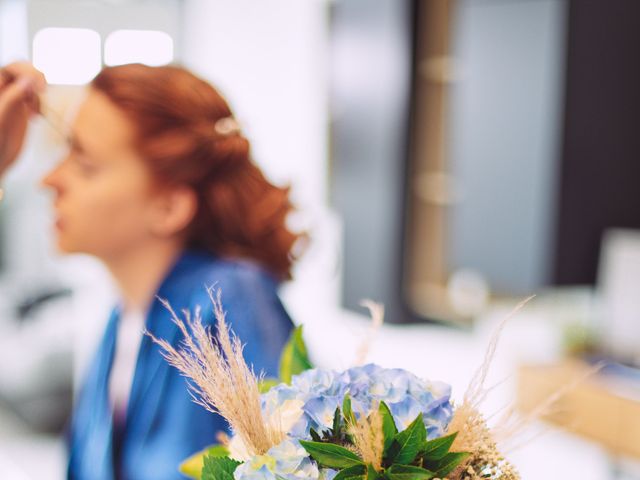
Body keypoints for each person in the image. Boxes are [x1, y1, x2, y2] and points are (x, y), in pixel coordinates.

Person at [3, 62, 302, 479]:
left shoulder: (230, 299)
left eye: (84, 163)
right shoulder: (125, 319)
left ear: (169, 207)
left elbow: (293, 464)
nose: (49, 179)